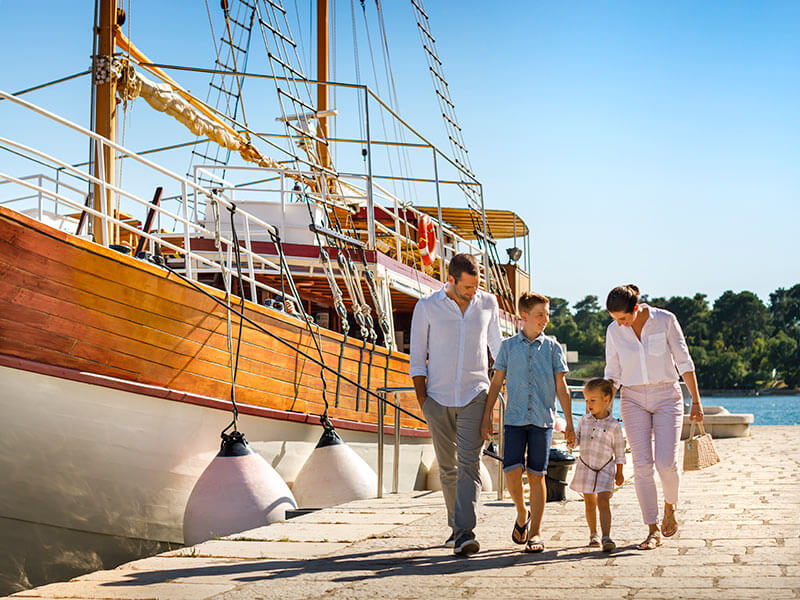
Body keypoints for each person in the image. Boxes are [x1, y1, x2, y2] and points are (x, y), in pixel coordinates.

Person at [409, 253, 502, 556]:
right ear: (450, 280)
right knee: (447, 468)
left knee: (469, 464)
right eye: (467, 287)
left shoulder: (487, 304)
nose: (472, 292)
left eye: (476, 286)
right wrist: (424, 402)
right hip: (436, 398)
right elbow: (417, 359)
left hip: (475, 393)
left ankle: (465, 532)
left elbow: (499, 351)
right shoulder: (426, 307)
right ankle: (455, 528)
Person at [604, 284, 704, 550]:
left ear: (636, 308)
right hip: (632, 397)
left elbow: (684, 361)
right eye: (615, 320)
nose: (620, 324)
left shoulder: (665, 320)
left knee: (665, 462)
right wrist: (604, 408)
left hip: (667, 397)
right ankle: (652, 529)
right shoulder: (614, 331)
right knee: (642, 465)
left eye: (623, 318)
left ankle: (670, 505)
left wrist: (696, 400)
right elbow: (612, 372)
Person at [480, 292, 574, 553]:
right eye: (540, 315)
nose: (545, 319)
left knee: (537, 475)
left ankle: (535, 533)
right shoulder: (508, 347)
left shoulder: (554, 348)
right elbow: (496, 383)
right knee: (511, 469)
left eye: (547, 314)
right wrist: (487, 415)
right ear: (524, 317)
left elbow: (562, 387)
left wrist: (570, 424)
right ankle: (522, 513)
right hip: (514, 419)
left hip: (542, 420)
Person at [568, 378, 625, 552]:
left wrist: (620, 472)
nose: (588, 404)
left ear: (606, 399)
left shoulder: (614, 425)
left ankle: (606, 536)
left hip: (606, 469)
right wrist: (571, 440)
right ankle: (593, 534)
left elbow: (620, 451)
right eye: (586, 400)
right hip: (586, 467)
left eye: (593, 400)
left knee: (603, 501)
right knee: (589, 503)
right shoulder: (584, 421)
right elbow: (576, 442)